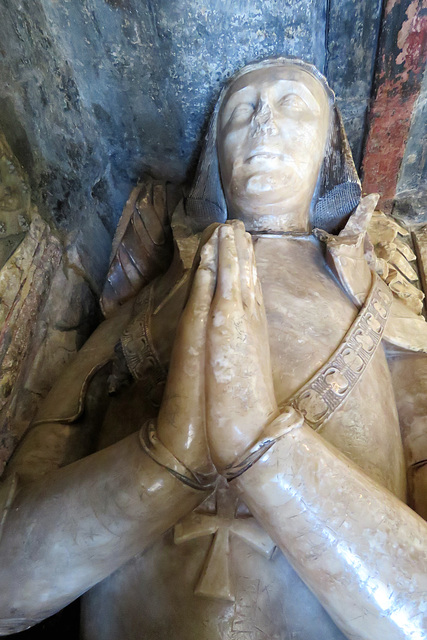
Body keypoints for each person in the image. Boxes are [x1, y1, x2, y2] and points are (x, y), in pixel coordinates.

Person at [0, 57, 426, 640]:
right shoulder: (146, 314)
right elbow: (7, 583)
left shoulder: (385, 323)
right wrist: (164, 463)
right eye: (242, 110)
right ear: (214, 161)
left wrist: (263, 449)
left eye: (290, 105)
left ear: (330, 151)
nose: (262, 125)